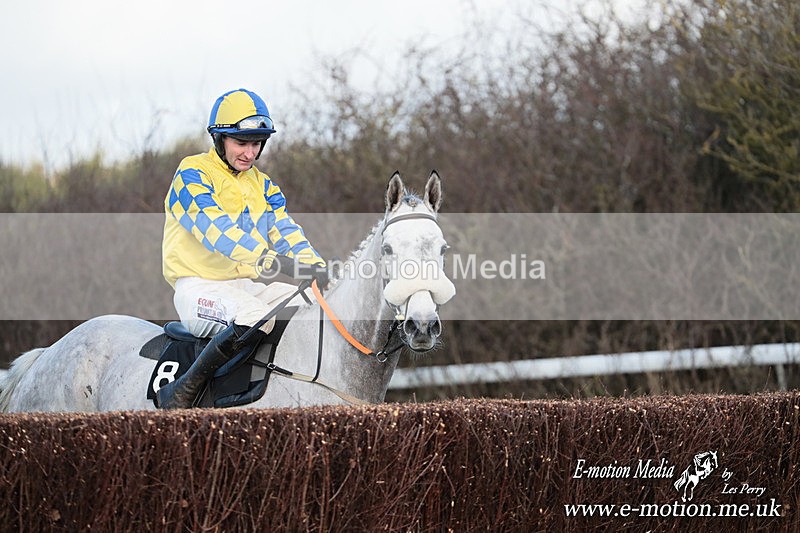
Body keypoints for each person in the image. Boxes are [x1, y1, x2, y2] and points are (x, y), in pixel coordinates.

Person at [156, 88, 328, 409]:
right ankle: (185, 390)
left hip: (246, 285)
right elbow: (219, 233)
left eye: (257, 143)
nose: (250, 153)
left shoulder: (262, 184)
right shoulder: (191, 173)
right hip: (198, 288)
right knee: (255, 316)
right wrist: (273, 263)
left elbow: (285, 230)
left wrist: (315, 265)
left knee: (312, 303)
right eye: (242, 142)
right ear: (219, 138)